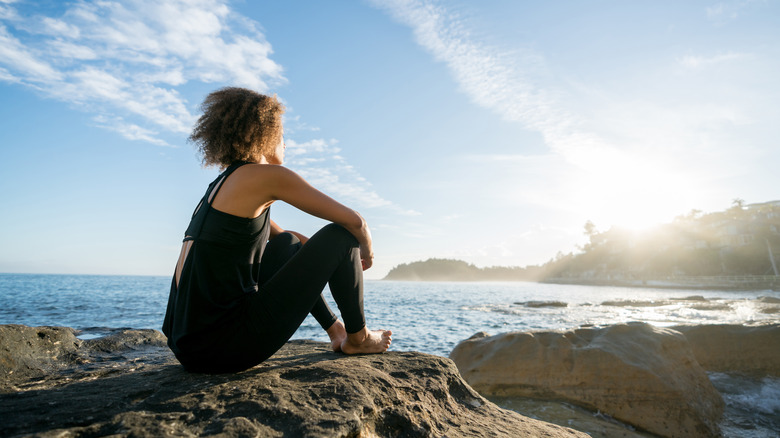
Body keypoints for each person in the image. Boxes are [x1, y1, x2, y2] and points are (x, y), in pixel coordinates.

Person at [162, 87, 392, 373]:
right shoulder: (268, 177)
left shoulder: (223, 186)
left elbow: (289, 242)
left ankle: (337, 331)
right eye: (282, 135)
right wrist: (363, 251)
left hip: (188, 344)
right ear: (264, 133)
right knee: (341, 236)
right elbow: (355, 223)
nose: (285, 143)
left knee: (287, 242)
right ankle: (359, 338)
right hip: (221, 349)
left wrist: (326, 259)